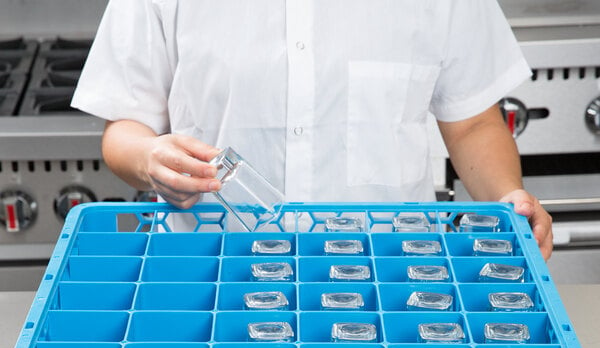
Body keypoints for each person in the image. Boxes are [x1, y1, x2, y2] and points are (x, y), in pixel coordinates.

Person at [72, 0, 552, 258]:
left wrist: (510, 194)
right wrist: (148, 158)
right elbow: (126, 128)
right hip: (212, 286)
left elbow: (471, 123)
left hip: (386, 289)